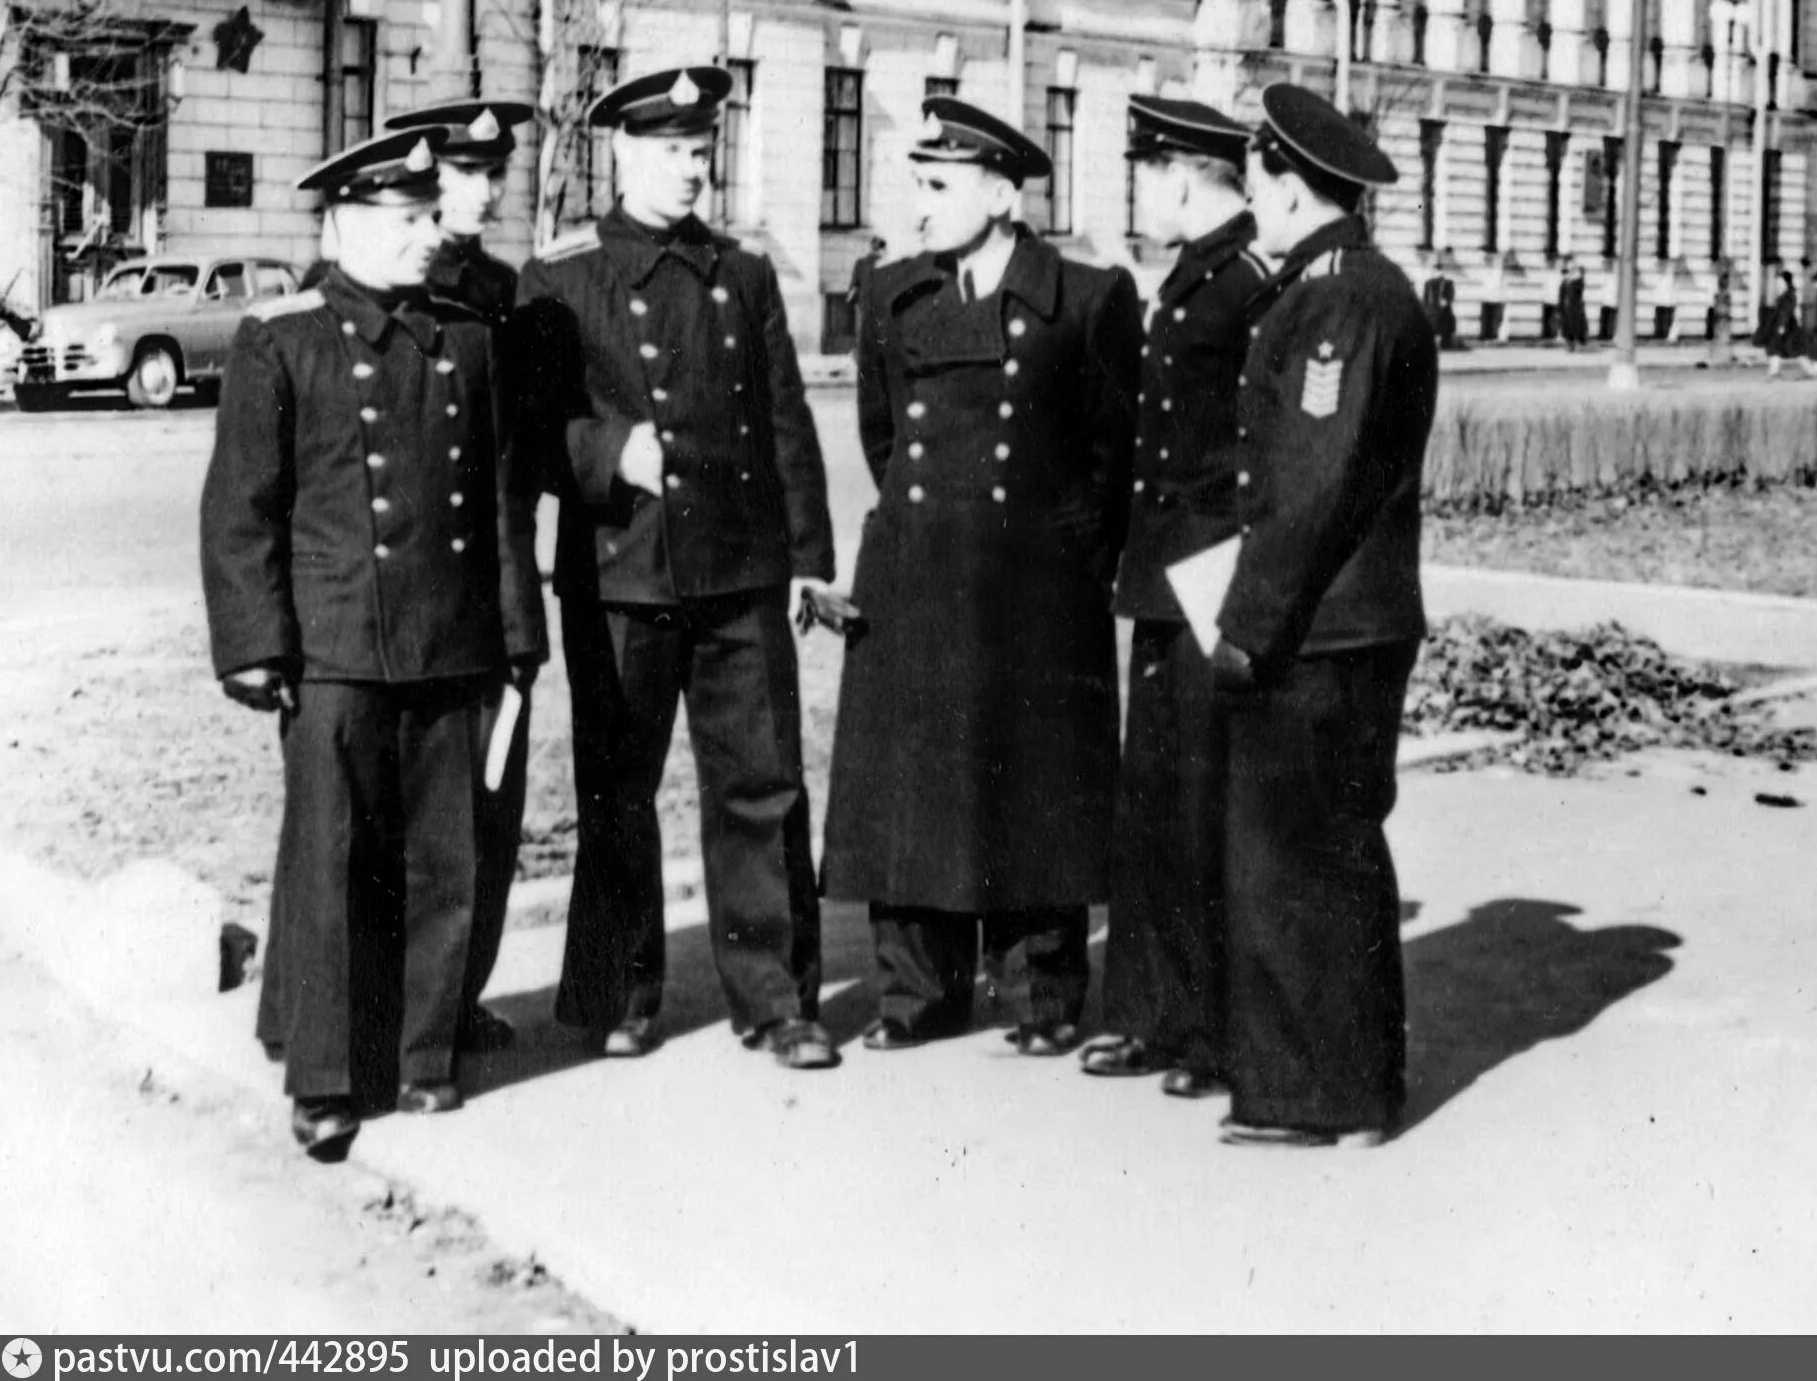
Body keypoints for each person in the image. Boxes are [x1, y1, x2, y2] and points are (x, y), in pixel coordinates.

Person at [204, 131, 546, 1158]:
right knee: (333, 863)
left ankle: (424, 1054)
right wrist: (255, 647)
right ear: (342, 224)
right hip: (338, 647)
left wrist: (517, 638)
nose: (428, 236)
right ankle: (325, 1078)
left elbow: (496, 508)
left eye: (429, 215)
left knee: (446, 857)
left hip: (453, 641)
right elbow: (242, 512)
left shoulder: (466, 339)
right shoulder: (284, 341)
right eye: (404, 219)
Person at [515, 66, 839, 1070]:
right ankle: (620, 992)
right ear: (621, 153)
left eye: (701, 151)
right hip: (620, 572)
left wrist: (807, 562)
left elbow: (787, 418)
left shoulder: (740, 274)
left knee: (763, 786)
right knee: (619, 790)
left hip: (739, 569)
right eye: (669, 151)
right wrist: (615, 454)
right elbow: (532, 430)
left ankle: (779, 999)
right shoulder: (561, 276)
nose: (691, 169)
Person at [821, 98, 1142, 1055]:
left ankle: (1041, 991)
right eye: (914, 184)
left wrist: (1066, 560)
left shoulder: (1088, 299)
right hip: (917, 570)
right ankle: (915, 993)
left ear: (1003, 195)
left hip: (1037, 577)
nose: (916, 206)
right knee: (910, 782)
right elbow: (883, 436)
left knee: (1036, 778)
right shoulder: (889, 294)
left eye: (937, 185)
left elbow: (1110, 453)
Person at [1206, 84, 1440, 1149]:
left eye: (1258, 186)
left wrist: (1247, 624)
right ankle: (1348, 1089)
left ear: (1292, 187)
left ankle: (1321, 1093)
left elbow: (1311, 478)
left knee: (1293, 856)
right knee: (1336, 847)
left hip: (1318, 630)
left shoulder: (1336, 301)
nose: (1251, 208)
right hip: (1355, 622)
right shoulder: (1364, 287)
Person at [1078, 97, 1279, 1098]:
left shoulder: (1246, 282)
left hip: (1211, 580)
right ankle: (1148, 1017)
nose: (1138, 195)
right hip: (1165, 580)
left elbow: (1259, 448)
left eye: (1146, 177)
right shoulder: (1197, 277)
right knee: (1151, 801)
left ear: (1188, 179)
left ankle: (1205, 1031)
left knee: (1200, 808)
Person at [380, 97, 537, 1055]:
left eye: (494, 174)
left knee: (491, 802)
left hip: (492, 585)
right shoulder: (379, 278)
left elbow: (517, 461)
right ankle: (379, 1005)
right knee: (399, 812)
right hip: (405, 596)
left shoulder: (507, 291)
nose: (483, 191)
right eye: (464, 172)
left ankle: (456, 991)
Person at [1760, 263, 1801, 378]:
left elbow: (1786, 311)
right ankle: (1774, 370)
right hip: (1783, 324)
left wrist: (1782, 325)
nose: (1778, 283)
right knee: (1778, 347)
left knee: (1794, 349)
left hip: (1786, 325)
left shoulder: (1789, 295)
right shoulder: (1786, 294)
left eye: (1780, 280)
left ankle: (1810, 370)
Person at [1556, 260, 1588, 352]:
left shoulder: (1578, 279)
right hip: (1566, 307)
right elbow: (1561, 294)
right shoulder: (1565, 279)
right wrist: (1560, 306)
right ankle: (1569, 345)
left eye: (1572, 268)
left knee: (1576, 326)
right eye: (1569, 268)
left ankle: (1577, 345)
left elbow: (1579, 292)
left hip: (1575, 307)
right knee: (1567, 327)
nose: (1570, 270)